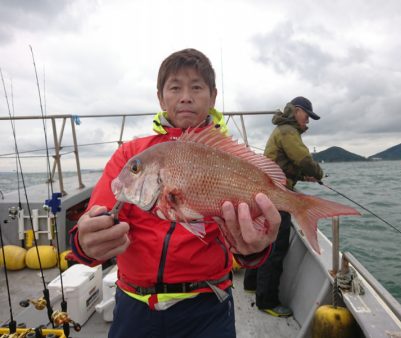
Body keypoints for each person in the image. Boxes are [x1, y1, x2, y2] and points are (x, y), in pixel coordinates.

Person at [68, 48, 281, 338]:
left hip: (209, 303)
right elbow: (96, 223)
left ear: (213, 96)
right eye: (175, 87)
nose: (185, 96)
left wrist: (254, 249)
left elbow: (249, 252)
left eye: (196, 87)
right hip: (135, 304)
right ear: (160, 97)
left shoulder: (234, 158)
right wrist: (85, 240)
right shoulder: (132, 155)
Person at [243, 96, 323, 317]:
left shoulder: (282, 129)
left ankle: (251, 284)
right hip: (275, 196)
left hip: (265, 193)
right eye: (307, 115)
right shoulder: (288, 130)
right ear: (297, 111)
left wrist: (301, 176)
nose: (308, 121)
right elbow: (304, 159)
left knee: (262, 242)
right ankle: (266, 300)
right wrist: (318, 173)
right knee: (276, 247)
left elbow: (284, 165)